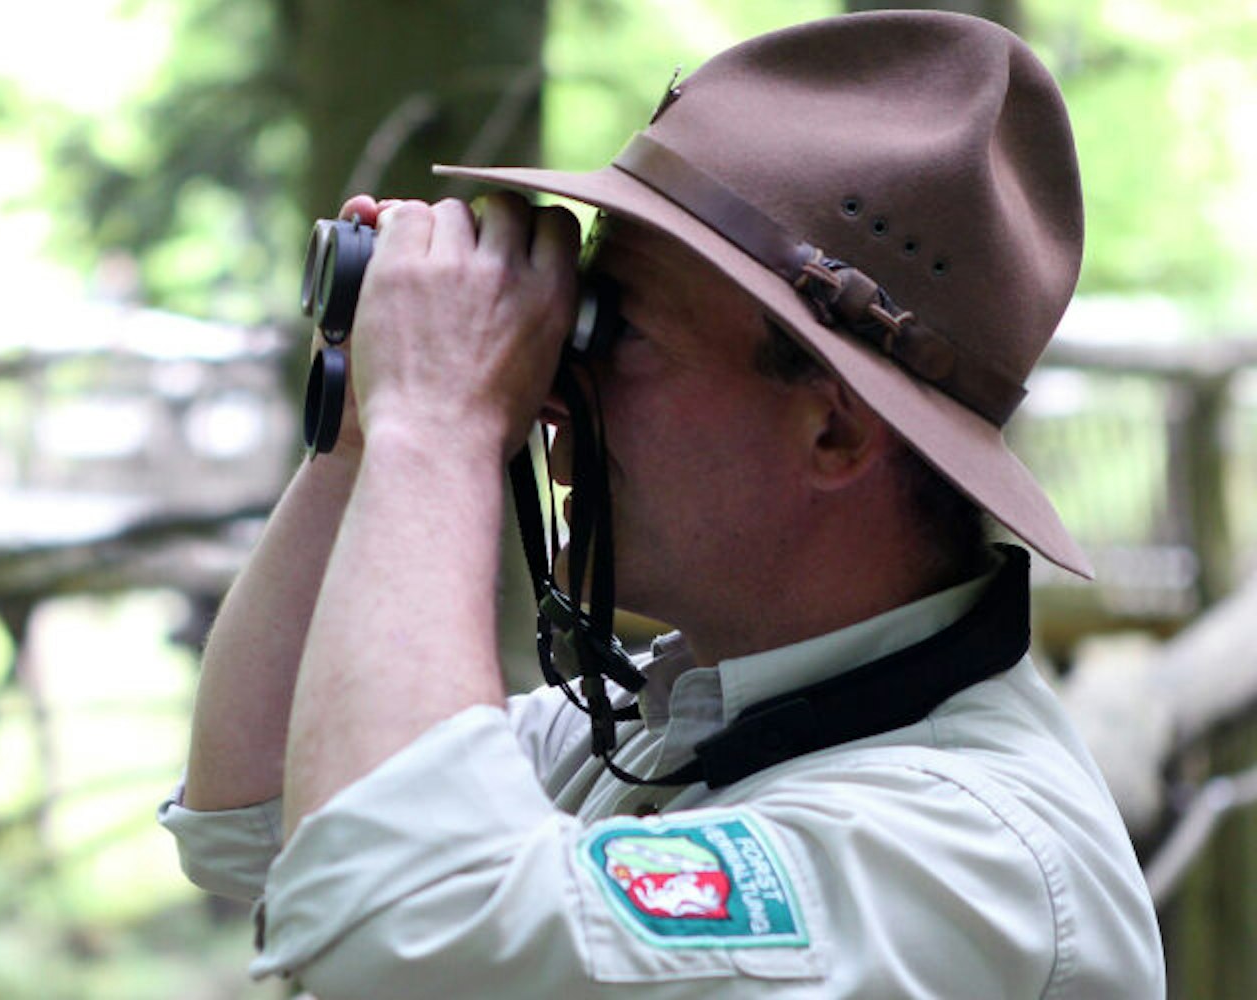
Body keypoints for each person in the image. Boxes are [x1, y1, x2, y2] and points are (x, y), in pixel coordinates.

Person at [159, 10, 1165, 997]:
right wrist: (366, 437)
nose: (550, 387)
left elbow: (399, 918)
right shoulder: (691, 713)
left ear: (834, 430)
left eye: (618, 330)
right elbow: (258, 813)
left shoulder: (963, 851)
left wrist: (434, 420)